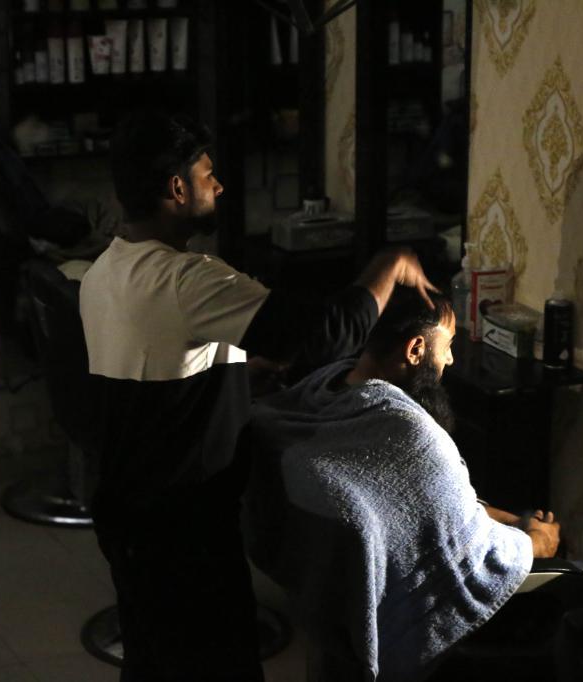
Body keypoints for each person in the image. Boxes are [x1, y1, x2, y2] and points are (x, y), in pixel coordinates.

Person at [79, 111, 438, 681]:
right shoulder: (187, 278)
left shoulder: (105, 272)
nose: (219, 186)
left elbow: (154, 375)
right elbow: (324, 335)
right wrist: (389, 267)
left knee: (153, 663)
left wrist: (238, 376)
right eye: (208, 174)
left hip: (126, 510)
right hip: (180, 526)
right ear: (177, 189)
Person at [244, 288, 561, 681]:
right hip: (374, 623)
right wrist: (534, 541)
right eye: (447, 346)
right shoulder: (413, 437)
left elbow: (432, 503)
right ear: (415, 350)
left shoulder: (323, 386)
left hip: (302, 592)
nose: (450, 360)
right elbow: (476, 551)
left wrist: (506, 519)